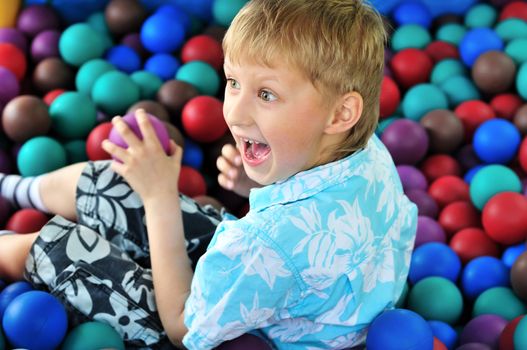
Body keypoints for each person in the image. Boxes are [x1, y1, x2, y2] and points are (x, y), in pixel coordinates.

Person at [0, 0, 417, 349]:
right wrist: (261, 184)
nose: (233, 111)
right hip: (310, 295)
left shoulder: (264, 244)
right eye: (233, 81)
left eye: (267, 94)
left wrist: (161, 196)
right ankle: (14, 188)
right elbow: (319, 227)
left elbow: (183, 327)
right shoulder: (367, 150)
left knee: (60, 248)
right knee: (113, 184)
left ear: (341, 112)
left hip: (231, 333)